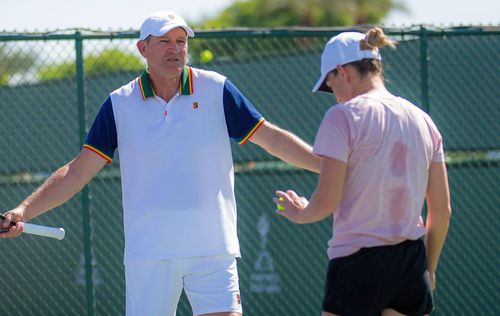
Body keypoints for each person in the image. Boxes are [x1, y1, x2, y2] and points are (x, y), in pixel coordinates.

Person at [0, 11, 321, 316]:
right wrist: (23, 211)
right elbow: (78, 170)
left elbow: (272, 138)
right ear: (143, 48)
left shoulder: (217, 89)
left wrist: (329, 167)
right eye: (164, 42)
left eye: (181, 41)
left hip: (213, 249)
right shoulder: (119, 103)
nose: (176, 49)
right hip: (149, 254)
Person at [274, 27, 451, 316]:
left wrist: (301, 212)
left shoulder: (342, 117)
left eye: (330, 85)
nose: (333, 95)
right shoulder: (424, 121)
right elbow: (442, 210)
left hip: (358, 265)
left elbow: (326, 202)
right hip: (412, 265)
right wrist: (429, 270)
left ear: (343, 71)